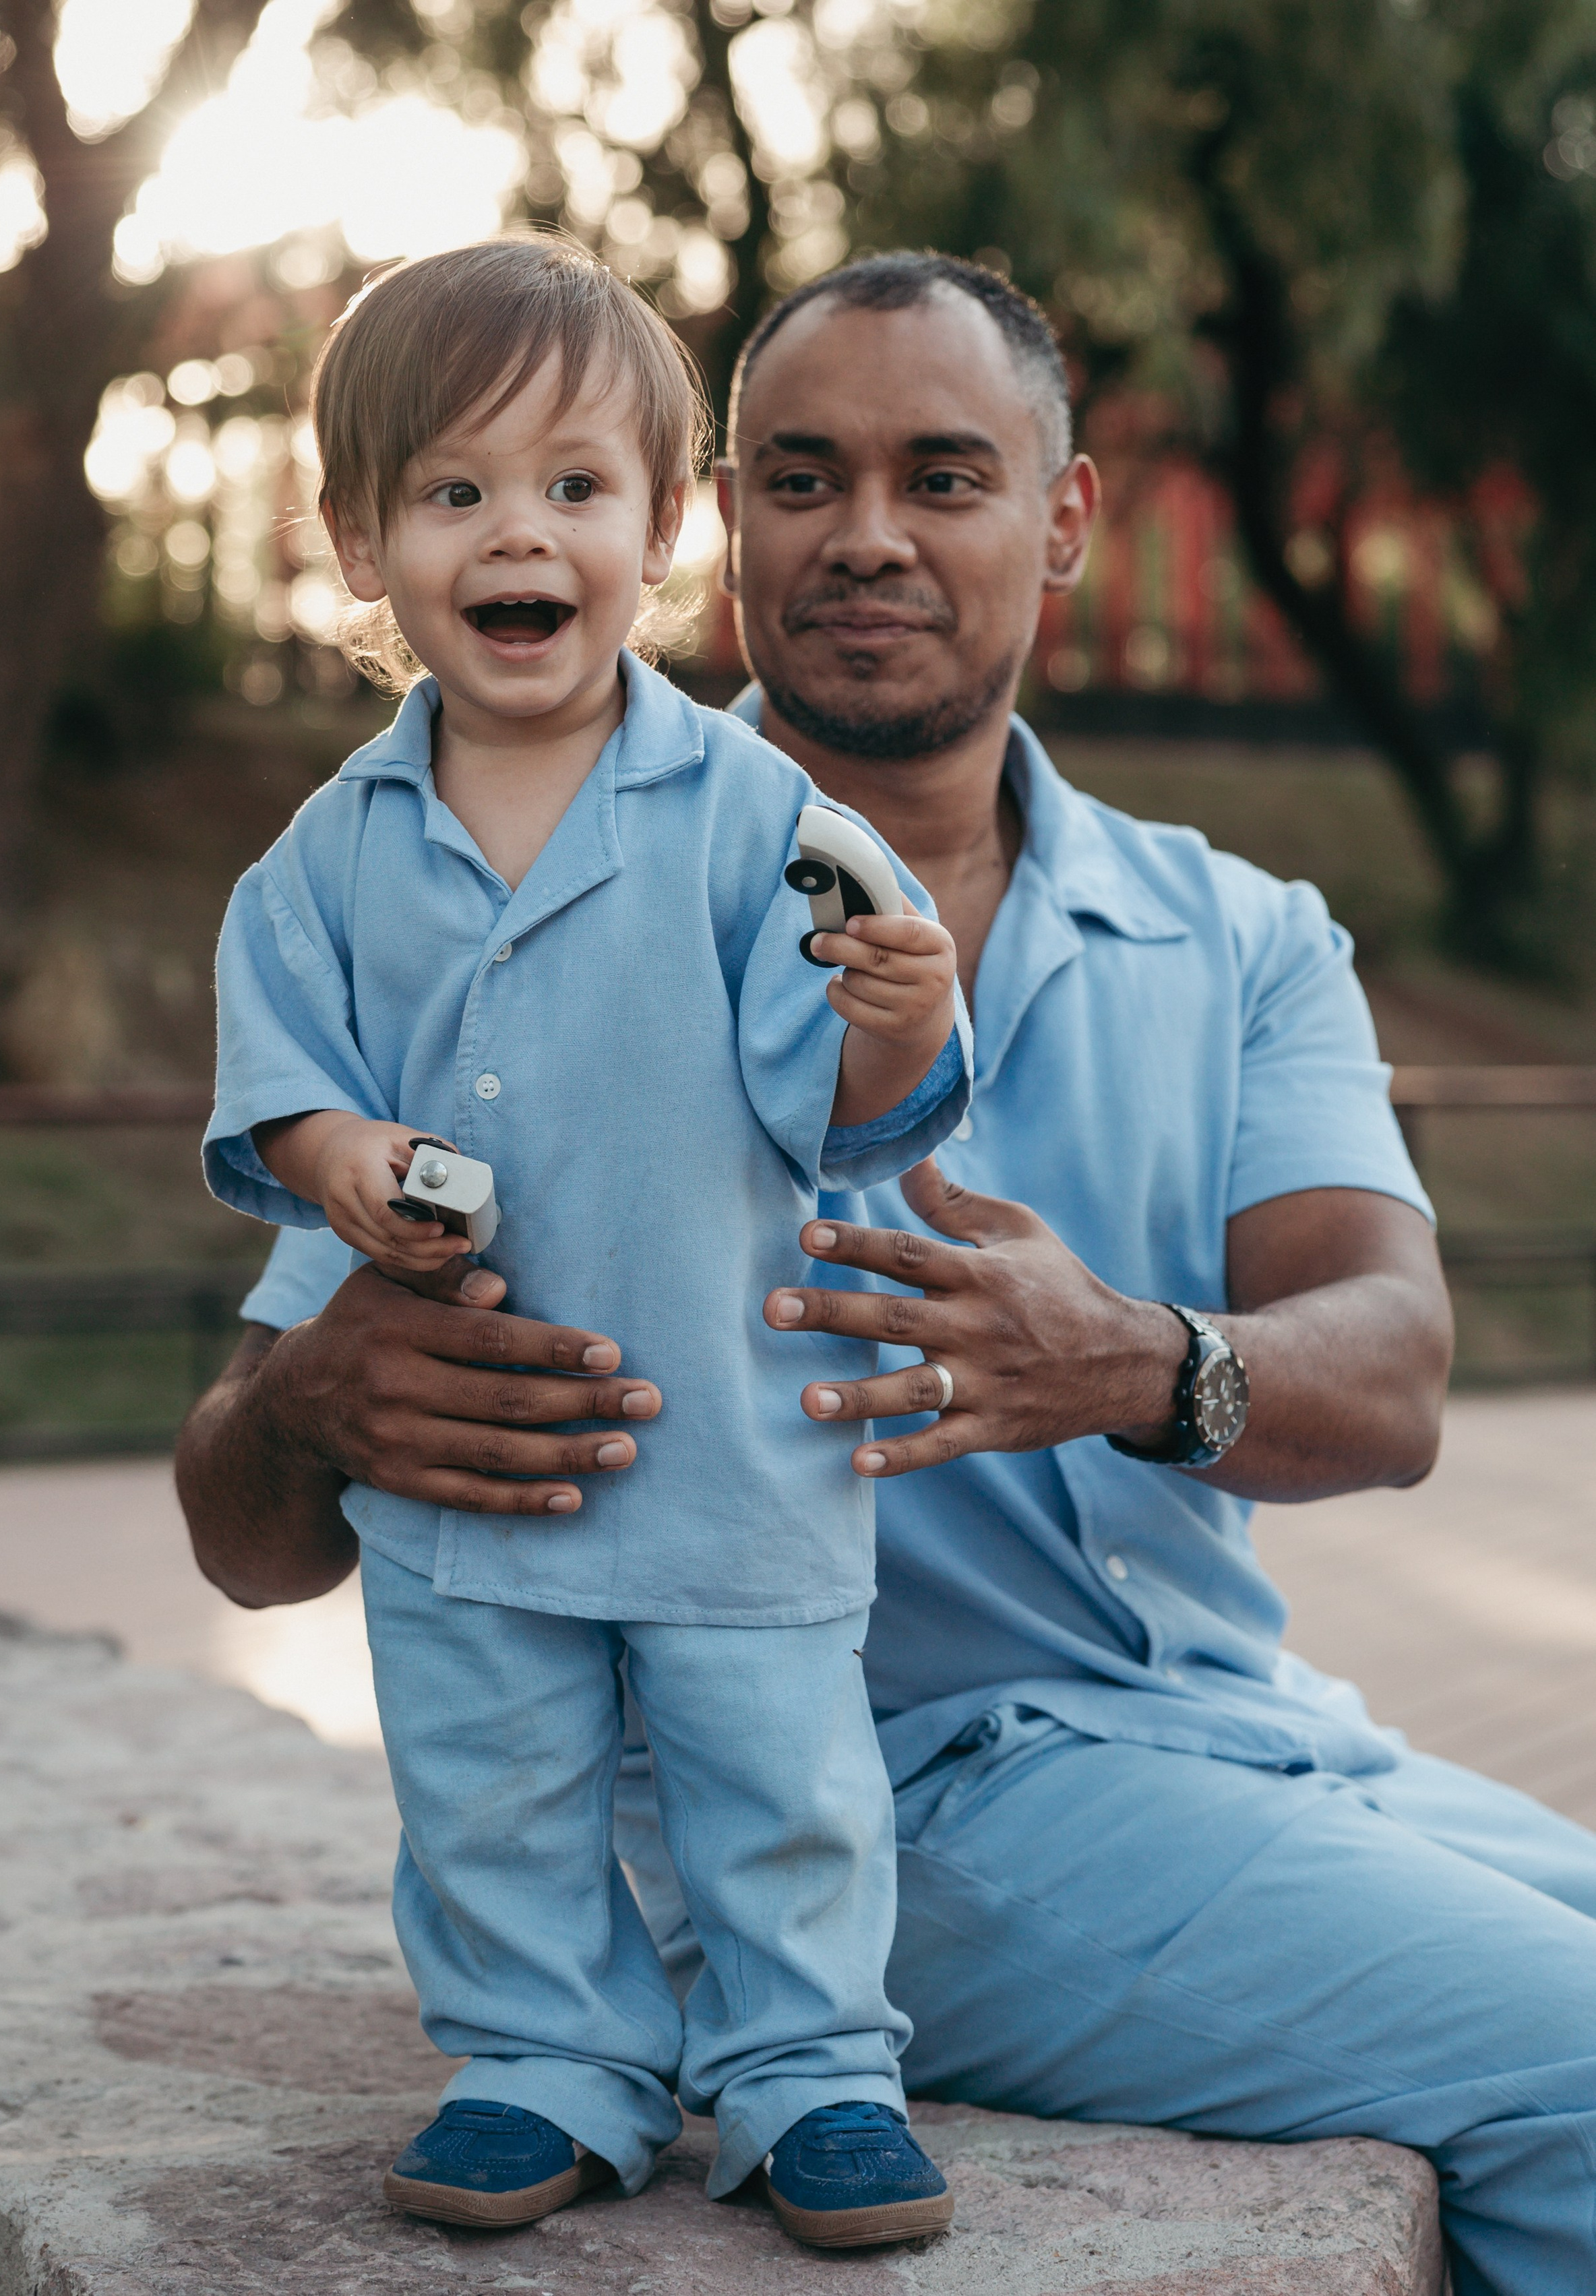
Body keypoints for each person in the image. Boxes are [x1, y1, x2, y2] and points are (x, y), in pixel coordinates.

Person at [177, 253, 1596, 2296]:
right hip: (871, 1811)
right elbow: (245, 1543)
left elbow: (1392, 1377)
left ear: (1066, 517)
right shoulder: (460, 881)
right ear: (723, 521)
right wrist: (309, 1394)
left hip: (1258, 1732)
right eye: (807, 480)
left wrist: (1130, 1361)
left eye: (944, 476)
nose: (866, 537)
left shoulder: (1244, 932)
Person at [202, 237, 973, 2248]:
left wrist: (898, 1019)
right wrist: (337, 1151)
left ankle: (811, 2071)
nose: (516, 534)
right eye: (454, 494)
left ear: (665, 530)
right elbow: (286, 1068)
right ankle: (545, 2057)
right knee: (490, 1781)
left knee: (777, 1780)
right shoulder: (330, 854)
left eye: (571, 488)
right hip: (469, 1479)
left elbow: (858, 1103)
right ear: (362, 545)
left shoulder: (750, 814)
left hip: (725, 1424)